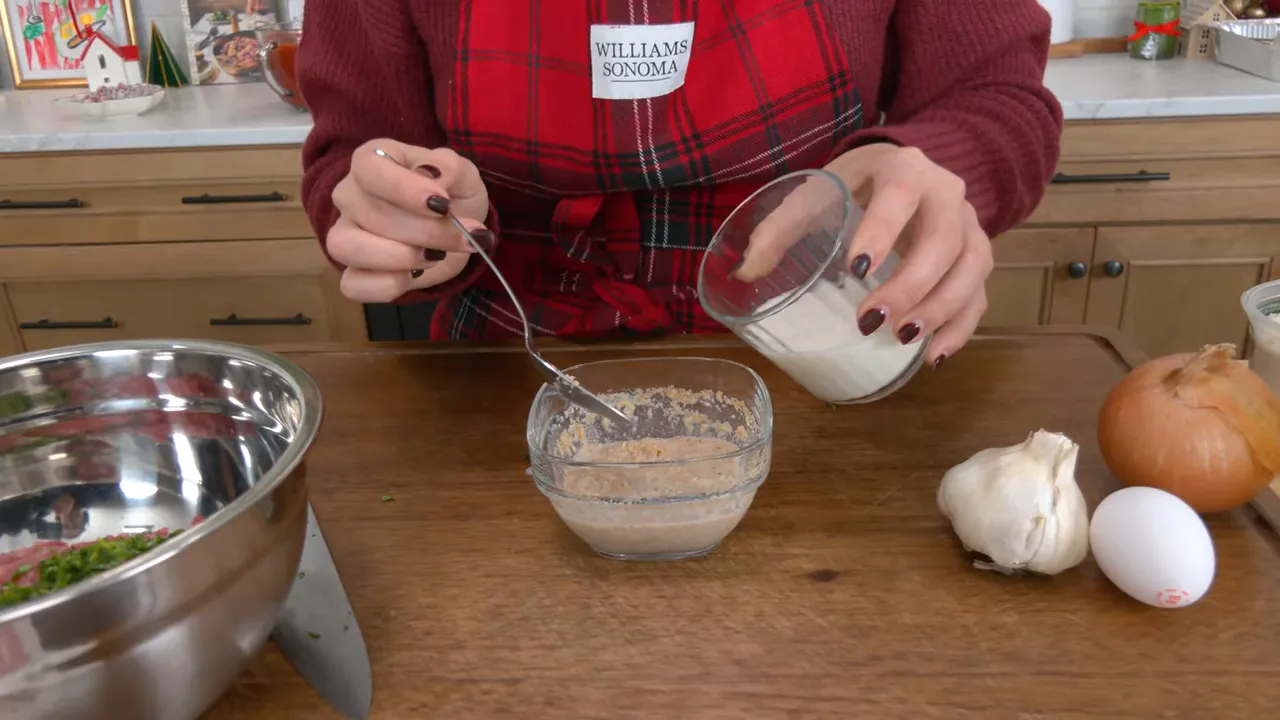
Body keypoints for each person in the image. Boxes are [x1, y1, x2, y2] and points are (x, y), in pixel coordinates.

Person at [297, 0, 1063, 367]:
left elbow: (998, 96)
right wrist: (407, 224)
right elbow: (352, 157)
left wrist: (933, 166)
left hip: (825, 349)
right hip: (510, 374)